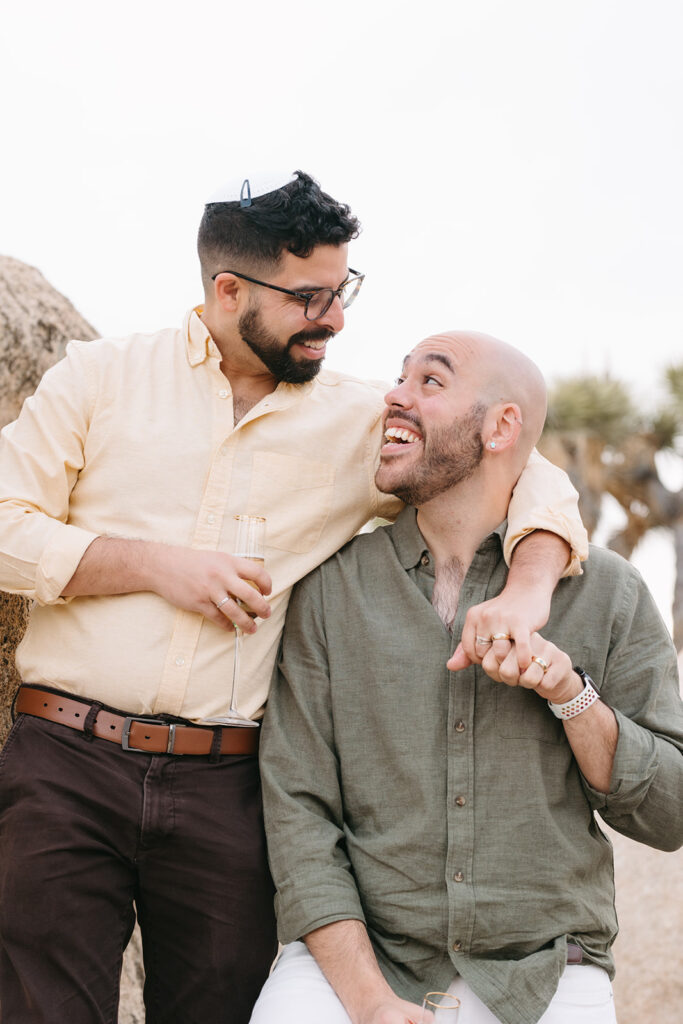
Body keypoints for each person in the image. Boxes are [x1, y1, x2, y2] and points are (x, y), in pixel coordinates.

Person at [0, 174, 586, 1024]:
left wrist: (530, 587)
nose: (337, 318)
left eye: (342, 291)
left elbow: (525, 475)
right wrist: (157, 566)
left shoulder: (359, 421)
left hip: (230, 785)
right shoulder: (99, 378)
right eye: (310, 297)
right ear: (227, 291)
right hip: (64, 759)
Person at [252, 330, 683, 1024]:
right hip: (358, 965)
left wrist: (571, 696)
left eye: (430, 381)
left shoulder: (609, 592)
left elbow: (670, 814)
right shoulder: (332, 589)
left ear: (500, 426)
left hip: (546, 971)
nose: (394, 396)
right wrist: (368, 1003)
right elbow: (300, 815)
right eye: (399, 378)